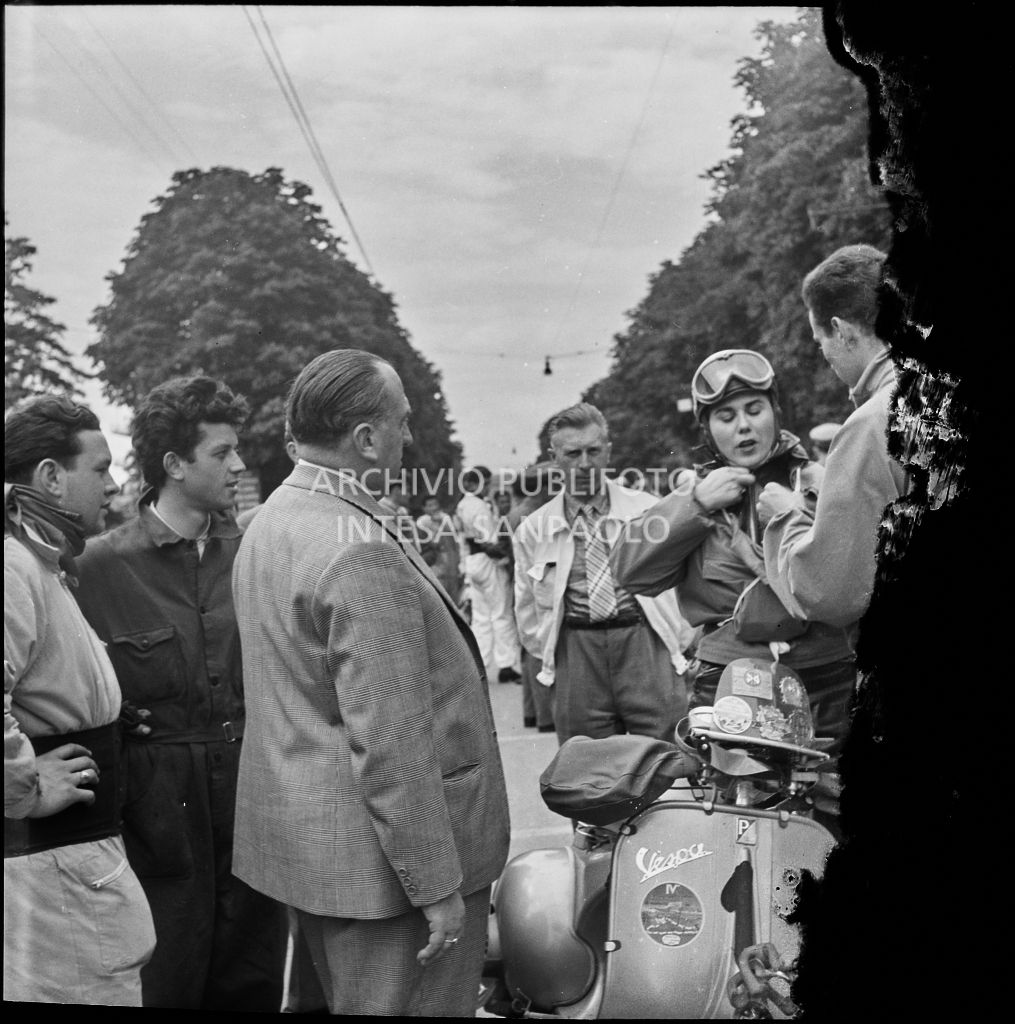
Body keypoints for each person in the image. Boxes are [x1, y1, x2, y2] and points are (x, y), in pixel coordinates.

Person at [231, 349, 511, 1017]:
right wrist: (435, 886)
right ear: (364, 438)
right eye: (402, 423)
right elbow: (390, 741)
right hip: (385, 876)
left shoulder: (273, 518)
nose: (409, 438)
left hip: (314, 855)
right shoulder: (356, 546)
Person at [73, 377, 288, 1011]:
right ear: (173, 464)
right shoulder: (94, 569)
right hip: (156, 829)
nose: (240, 465)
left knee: (254, 984)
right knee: (163, 984)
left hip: (254, 810)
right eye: (222, 453)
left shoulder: (257, 554)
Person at [610, 351, 858, 757]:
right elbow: (628, 570)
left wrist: (796, 516)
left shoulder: (824, 484)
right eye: (725, 417)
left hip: (826, 678)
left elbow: (862, 573)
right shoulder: (695, 495)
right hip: (727, 680)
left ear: (776, 412)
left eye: (754, 410)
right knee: (729, 812)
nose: (743, 426)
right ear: (706, 429)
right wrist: (695, 505)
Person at [4, 395, 156, 1005]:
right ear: (49, 476)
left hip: (72, 861)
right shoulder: (14, 566)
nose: (115, 485)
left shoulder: (38, 565)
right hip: (59, 866)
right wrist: (25, 785)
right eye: (100, 469)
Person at [514, 403, 694, 745]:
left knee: (666, 760)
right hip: (577, 653)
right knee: (589, 771)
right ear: (555, 458)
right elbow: (526, 611)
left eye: (593, 451)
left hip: (644, 645)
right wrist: (558, 655)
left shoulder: (647, 511)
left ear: (608, 452)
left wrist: (677, 645)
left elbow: (683, 585)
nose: (584, 464)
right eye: (572, 453)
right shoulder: (533, 530)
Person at [758, 245, 908, 637]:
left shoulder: (872, 423)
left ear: (840, 331)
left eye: (819, 339)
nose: (823, 351)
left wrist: (785, 516)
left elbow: (829, 593)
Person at [456, 467, 521, 682]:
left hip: (472, 561)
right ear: (479, 482)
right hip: (487, 561)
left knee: (481, 616)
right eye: (486, 482)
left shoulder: (462, 505)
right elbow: (488, 540)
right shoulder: (480, 507)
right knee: (501, 612)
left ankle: (479, 663)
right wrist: (504, 555)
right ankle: (506, 665)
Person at [417, 495, 464, 603]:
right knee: (440, 600)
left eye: (435, 504)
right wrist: (439, 524)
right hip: (435, 566)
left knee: (454, 600)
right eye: (430, 505)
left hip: (451, 565)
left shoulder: (445, 518)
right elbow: (433, 544)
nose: (434, 508)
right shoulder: (422, 522)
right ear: (424, 508)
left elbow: (455, 540)